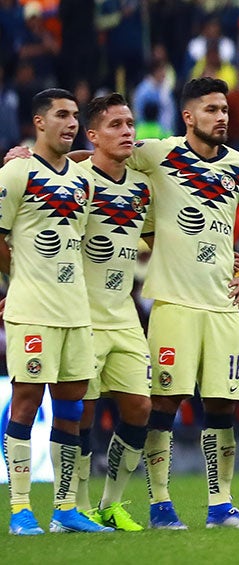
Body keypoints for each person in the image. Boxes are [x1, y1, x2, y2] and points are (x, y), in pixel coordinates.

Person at [131, 77, 239, 529]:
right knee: (166, 403)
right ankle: (159, 504)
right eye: (211, 109)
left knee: (222, 405)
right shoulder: (160, 153)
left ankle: (220, 506)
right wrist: (34, 158)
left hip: (222, 306)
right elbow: (98, 158)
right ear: (189, 117)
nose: (222, 116)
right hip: (173, 303)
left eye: (225, 109)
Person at [0, 88, 111, 534]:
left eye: (74, 116)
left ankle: (65, 509)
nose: (69, 122)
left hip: (75, 311)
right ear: (38, 122)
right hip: (32, 308)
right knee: (26, 402)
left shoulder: (83, 181)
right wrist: (14, 282)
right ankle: (20, 509)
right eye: (60, 115)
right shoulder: (16, 173)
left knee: (72, 407)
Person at [74, 93, 153, 531]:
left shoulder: (142, 188)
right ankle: (76, 504)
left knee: (139, 407)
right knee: (81, 411)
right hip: (80, 312)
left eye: (130, 124)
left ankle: (110, 502)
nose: (127, 132)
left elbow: (160, 238)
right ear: (93, 135)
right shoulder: (75, 181)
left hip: (123, 313)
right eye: (116, 125)